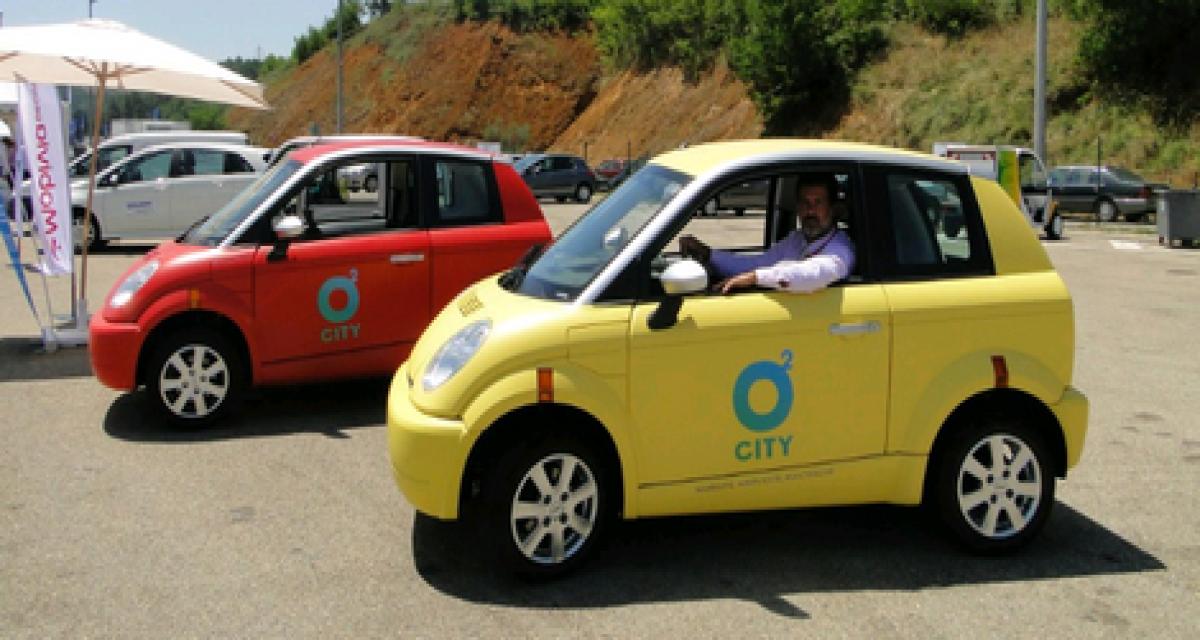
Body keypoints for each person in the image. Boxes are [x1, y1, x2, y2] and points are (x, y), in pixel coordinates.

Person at [679, 175, 855, 294]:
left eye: (818, 203)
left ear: (833, 208)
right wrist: (708, 254)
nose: (810, 210)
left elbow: (812, 274)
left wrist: (756, 278)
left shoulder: (840, 249)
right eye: (805, 202)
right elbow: (755, 264)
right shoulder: (797, 240)